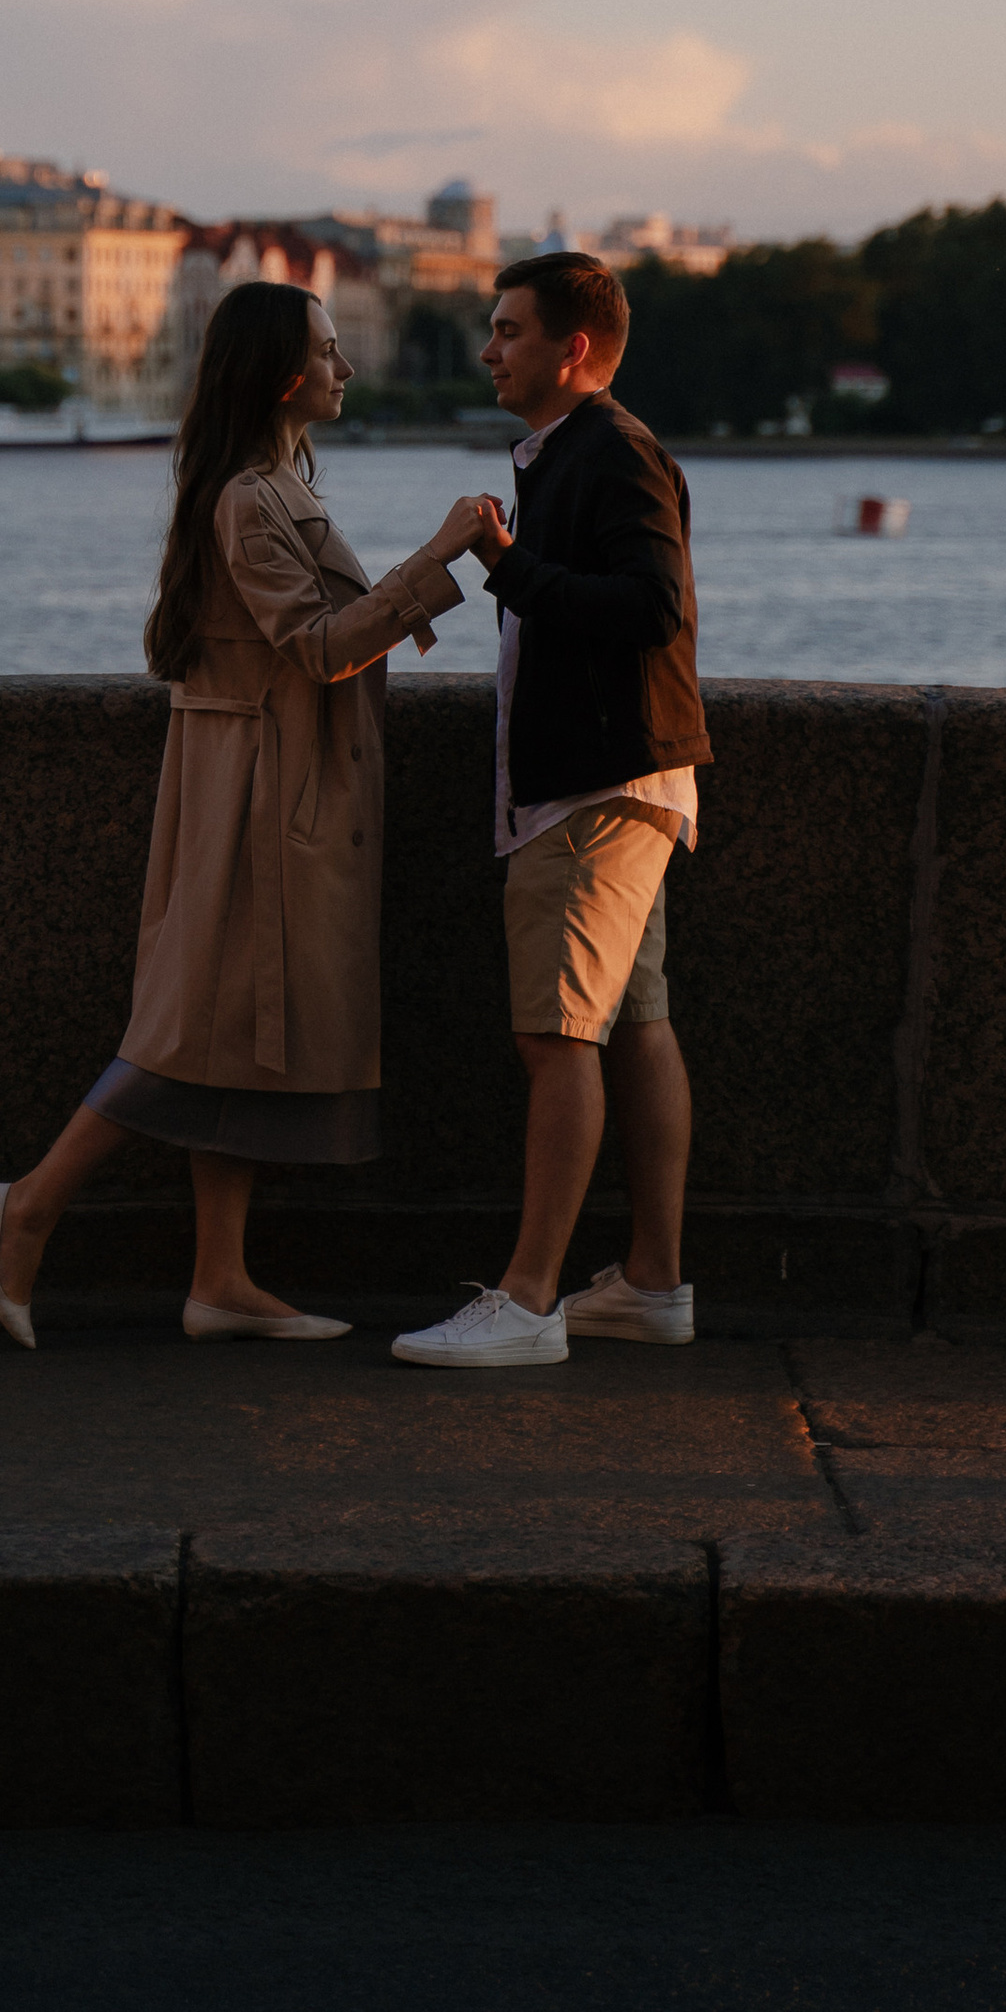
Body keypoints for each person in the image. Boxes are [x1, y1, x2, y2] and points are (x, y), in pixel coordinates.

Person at [0, 281, 483, 1348]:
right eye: (330, 352)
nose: (346, 369)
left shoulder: (269, 487)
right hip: (258, 797)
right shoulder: (252, 500)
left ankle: (219, 1279)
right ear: (283, 374)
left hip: (268, 781)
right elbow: (321, 648)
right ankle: (26, 1206)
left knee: (240, 1036)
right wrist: (437, 558)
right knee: (189, 1029)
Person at [393, 251, 709, 1373]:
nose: (488, 350)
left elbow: (652, 606)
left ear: (572, 349)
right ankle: (653, 1285)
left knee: (556, 1034)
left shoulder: (610, 451)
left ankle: (528, 1303)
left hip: (593, 791)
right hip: (623, 779)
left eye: (507, 331)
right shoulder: (580, 451)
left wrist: (507, 564)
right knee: (635, 1024)